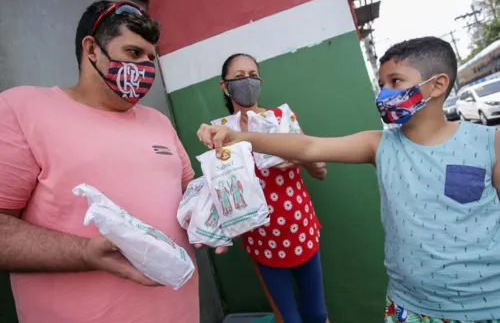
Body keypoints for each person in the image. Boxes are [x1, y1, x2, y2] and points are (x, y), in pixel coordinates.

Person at [198, 37, 500, 322]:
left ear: (437, 85)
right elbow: (310, 146)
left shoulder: (489, 143)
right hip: (408, 306)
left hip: (485, 304)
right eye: (381, 84)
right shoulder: (379, 144)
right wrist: (239, 136)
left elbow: (311, 158)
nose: (384, 94)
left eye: (395, 82)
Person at [0, 0, 212, 323]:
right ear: (91, 50)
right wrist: (85, 254)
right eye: (133, 53)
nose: (145, 66)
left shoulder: (158, 122)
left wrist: (217, 209)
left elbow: (190, 196)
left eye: (150, 58)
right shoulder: (20, 109)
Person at [215, 53, 329, 323]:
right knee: (287, 318)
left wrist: (299, 158)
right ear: (225, 85)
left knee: (317, 313)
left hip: (300, 228)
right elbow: (225, 187)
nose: (248, 82)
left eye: (253, 76)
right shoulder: (222, 133)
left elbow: (320, 171)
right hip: (262, 238)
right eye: (240, 77)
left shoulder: (282, 119)